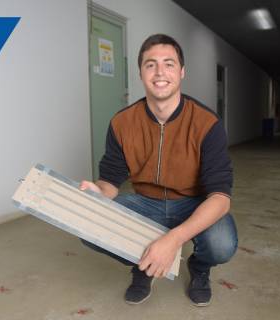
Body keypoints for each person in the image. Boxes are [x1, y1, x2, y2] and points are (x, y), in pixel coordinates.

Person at [79, 33, 238, 307]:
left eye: (169, 63)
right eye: (150, 64)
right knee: (88, 228)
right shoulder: (122, 123)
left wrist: (173, 240)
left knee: (222, 243)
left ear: (182, 72)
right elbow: (110, 180)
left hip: (193, 202)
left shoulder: (207, 123)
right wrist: (98, 194)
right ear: (140, 72)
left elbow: (221, 198)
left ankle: (199, 269)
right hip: (146, 202)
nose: (160, 72)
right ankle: (144, 266)